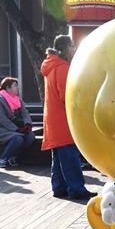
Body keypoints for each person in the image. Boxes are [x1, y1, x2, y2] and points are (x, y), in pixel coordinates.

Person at [41, 35, 96, 200]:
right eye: (73, 47)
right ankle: (76, 189)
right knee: (70, 156)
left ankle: (59, 187)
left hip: (53, 119)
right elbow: (67, 95)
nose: (75, 50)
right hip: (63, 120)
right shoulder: (63, 67)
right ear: (66, 49)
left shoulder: (51, 66)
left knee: (59, 157)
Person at [0, 77, 35, 168]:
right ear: (7, 88)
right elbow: (1, 118)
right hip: (2, 128)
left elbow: (25, 113)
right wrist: (16, 129)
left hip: (17, 127)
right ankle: (3, 158)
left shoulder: (17, 100)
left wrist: (27, 124)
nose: (17, 88)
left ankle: (13, 156)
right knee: (18, 139)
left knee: (31, 137)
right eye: (15, 86)